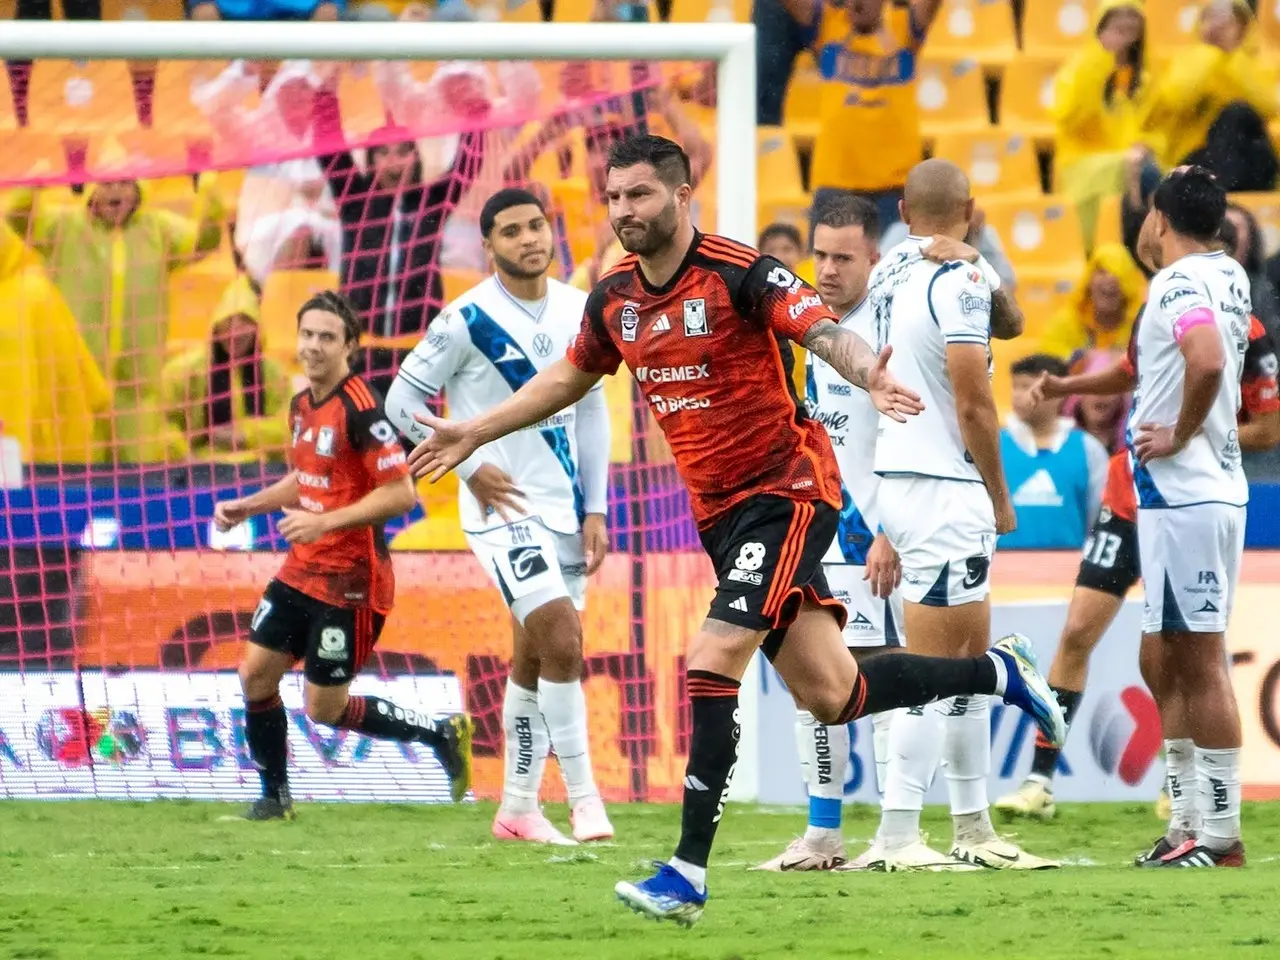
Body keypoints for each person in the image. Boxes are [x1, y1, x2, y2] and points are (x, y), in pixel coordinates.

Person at [404, 134, 1065, 925]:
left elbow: (823, 328)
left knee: (711, 658)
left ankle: (685, 872)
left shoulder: (736, 269)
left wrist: (869, 371)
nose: (626, 212)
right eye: (615, 198)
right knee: (834, 694)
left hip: (787, 490)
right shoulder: (612, 295)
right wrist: (475, 430)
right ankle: (999, 674)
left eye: (642, 195)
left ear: (683, 198)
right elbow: (567, 377)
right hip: (720, 515)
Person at [997, 235, 1280, 827]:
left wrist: (1193, 436)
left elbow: (1267, 429)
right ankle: (1039, 780)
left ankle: (1186, 786)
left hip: (1185, 505)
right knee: (1077, 630)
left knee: (1173, 654)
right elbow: (1130, 370)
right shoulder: (1160, 305)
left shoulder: (1245, 331)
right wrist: (1068, 387)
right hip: (1130, 500)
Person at [385, 189, 614, 845]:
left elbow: (592, 408)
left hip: (565, 508)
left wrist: (595, 507)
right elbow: (401, 403)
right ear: (489, 246)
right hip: (500, 509)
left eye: (536, 226)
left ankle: (517, 807)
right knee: (563, 638)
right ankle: (585, 799)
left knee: (537, 655)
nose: (528, 240)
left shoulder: (580, 309)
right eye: (511, 232)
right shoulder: (463, 320)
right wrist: (468, 465)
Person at [855, 158, 1058, 872]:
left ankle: (972, 830)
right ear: (970, 208)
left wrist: (978, 264)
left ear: (905, 214)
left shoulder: (889, 274)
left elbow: (1011, 323)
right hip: (946, 489)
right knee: (936, 670)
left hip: (903, 484)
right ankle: (898, 835)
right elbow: (973, 399)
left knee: (969, 667)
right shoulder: (960, 280)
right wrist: (1001, 496)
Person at [213, 290, 473, 820]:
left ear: (349, 345)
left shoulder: (362, 408)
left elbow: (401, 493)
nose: (313, 346)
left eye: (326, 337)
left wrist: (323, 522)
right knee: (255, 675)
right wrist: (250, 505)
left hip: (353, 579)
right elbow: (309, 478)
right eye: (307, 334)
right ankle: (274, 797)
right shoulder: (300, 404)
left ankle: (438, 732)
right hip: (302, 569)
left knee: (324, 709)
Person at [752, 194, 903, 872]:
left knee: (877, 681)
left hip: (871, 542)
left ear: (874, 256)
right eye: (821, 255)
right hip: (810, 533)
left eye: (844, 257)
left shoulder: (887, 334)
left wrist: (891, 532)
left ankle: (899, 833)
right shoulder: (800, 327)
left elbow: (916, 438)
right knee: (812, 685)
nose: (830, 269)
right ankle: (823, 833)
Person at [1125, 165, 1249, 867]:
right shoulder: (1225, 272)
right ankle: (1186, 825)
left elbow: (1203, 361)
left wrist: (1179, 430)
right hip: (1194, 495)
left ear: (1160, 219)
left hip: (1188, 492)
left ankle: (1222, 835)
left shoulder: (1177, 283)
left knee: (1200, 661)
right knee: (1162, 655)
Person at [781, 0, 942, 234]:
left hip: (894, 188)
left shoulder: (904, 28)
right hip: (835, 185)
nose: (856, 3)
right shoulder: (828, 27)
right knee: (828, 269)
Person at [161, 277, 293, 464]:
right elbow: (164, 423)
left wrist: (245, 435)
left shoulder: (274, 373)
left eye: (244, 322)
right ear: (215, 326)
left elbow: (291, 425)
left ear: (257, 329)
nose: (235, 332)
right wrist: (184, 458)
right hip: (200, 468)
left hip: (259, 469)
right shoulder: (183, 370)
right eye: (228, 322)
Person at [999, 354, 1109, 551]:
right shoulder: (994, 446)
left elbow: (1099, 516)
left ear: (1059, 394)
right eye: (1015, 386)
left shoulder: (1088, 448)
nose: (1018, 395)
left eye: (1026, 387)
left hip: (1068, 570)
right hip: (1003, 569)